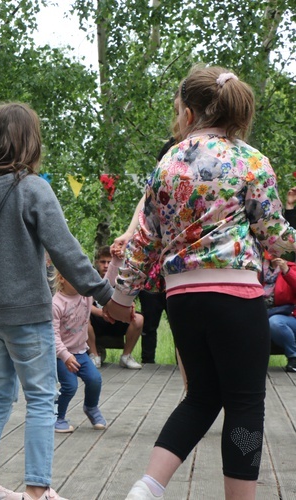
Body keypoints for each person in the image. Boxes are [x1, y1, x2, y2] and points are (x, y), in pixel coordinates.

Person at [109, 65, 296, 500]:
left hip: (183, 299)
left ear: (189, 113)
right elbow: (273, 235)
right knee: (246, 404)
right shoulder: (252, 160)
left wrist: (122, 296)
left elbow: (145, 236)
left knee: (201, 396)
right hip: (237, 296)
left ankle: (147, 487)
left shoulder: (168, 162)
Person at [0, 102, 127, 500]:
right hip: (27, 312)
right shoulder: (31, 188)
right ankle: (37, 491)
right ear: (27, 141)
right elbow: (65, 250)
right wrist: (105, 292)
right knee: (41, 399)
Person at [112, 139, 176, 364]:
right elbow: (148, 200)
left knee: (186, 330)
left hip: (189, 269)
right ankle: (149, 361)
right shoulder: (161, 181)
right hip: (157, 276)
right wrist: (130, 233)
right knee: (151, 324)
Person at [52, 270, 107, 434]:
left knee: (95, 379)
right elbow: (52, 336)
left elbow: (105, 283)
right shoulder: (56, 304)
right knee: (69, 386)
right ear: (62, 278)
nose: (80, 280)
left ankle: (91, 407)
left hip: (80, 352)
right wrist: (65, 355)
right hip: (61, 355)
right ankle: (57, 417)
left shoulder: (86, 296)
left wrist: (115, 263)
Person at [89, 246, 144, 369]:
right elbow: (84, 305)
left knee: (139, 318)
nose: (106, 265)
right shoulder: (91, 280)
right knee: (82, 316)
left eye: (109, 262)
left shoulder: (122, 280)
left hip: (118, 319)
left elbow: (129, 303)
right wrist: (101, 313)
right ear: (97, 263)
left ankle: (126, 356)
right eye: (103, 262)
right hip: (98, 319)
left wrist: (130, 308)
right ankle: (94, 355)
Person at [263, 256, 296, 372]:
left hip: (289, 316)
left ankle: (293, 357)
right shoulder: (257, 267)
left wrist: (287, 270)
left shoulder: (292, 267)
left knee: (275, 322)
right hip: (261, 312)